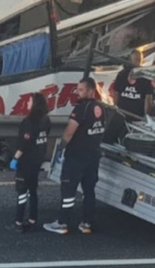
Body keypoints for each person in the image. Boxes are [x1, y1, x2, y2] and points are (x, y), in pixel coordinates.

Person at [44, 77, 106, 235]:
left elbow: (70, 132)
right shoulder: (101, 108)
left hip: (77, 156)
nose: (78, 93)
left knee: (68, 189)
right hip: (93, 156)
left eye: (81, 90)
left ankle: (62, 223)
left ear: (91, 91)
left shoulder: (81, 109)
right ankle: (87, 223)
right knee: (89, 190)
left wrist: (61, 148)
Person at [9, 92, 51, 233]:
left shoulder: (29, 122)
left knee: (22, 190)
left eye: (29, 101)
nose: (27, 104)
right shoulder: (46, 120)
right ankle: (33, 218)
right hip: (37, 160)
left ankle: (18, 222)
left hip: (26, 161)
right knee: (33, 190)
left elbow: (24, 143)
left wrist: (15, 158)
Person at [112, 50, 154, 121]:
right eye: (135, 60)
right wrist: (115, 110)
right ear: (130, 60)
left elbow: (148, 98)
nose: (136, 62)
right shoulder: (122, 75)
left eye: (138, 60)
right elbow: (116, 93)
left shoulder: (146, 77)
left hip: (137, 116)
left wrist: (146, 116)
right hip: (122, 114)